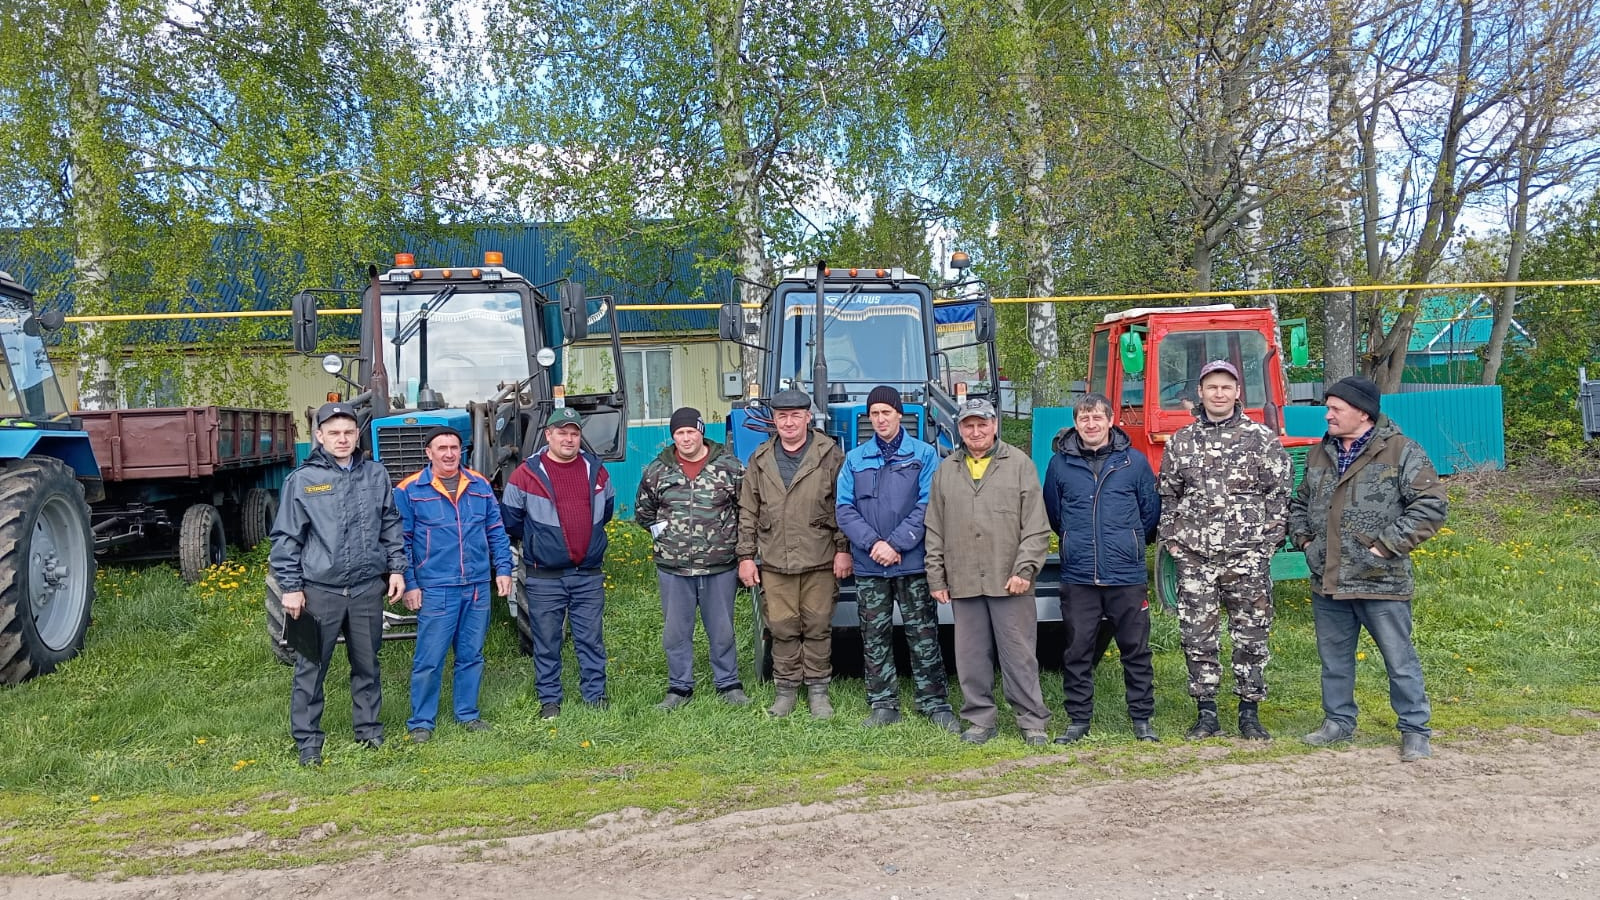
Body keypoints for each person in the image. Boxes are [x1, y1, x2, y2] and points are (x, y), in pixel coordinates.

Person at [1288, 376, 1448, 761]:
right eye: (1328, 408)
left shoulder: (1401, 452)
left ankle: (1414, 730)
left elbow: (1431, 506)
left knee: (1399, 660)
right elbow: (1298, 506)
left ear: (1363, 413)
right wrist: (1306, 543)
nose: (1327, 415)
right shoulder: (1318, 454)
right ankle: (1338, 722)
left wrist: (1385, 547)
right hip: (1328, 581)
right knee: (1334, 661)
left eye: (1335, 409)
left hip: (1381, 582)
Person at [1157, 359, 1293, 742]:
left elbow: (1279, 494)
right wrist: (1174, 541)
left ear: (1237, 393)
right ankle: (1206, 712)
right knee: (1197, 635)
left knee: (1251, 634)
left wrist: (1264, 544)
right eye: (1212, 387)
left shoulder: (1260, 438)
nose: (1219, 393)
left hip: (1246, 557)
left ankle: (1249, 712)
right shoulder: (1182, 441)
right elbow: (1168, 495)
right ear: (1200, 393)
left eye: (1226, 387)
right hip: (1195, 557)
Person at [269, 401, 407, 766]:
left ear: (357, 434)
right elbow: (286, 538)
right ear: (319, 436)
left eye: (348, 432)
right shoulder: (302, 480)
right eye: (334, 433)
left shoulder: (376, 475)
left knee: (367, 665)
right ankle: (308, 742)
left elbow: (390, 525)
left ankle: (369, 732)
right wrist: (291, 587)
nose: (342, 439)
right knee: (310, 668)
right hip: (319, 591)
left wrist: (396, 569)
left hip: (365, 589)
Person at [925, 397, 1053, 746]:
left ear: (995, 425)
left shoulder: (1019, 464)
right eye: (969, 425)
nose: (976, 431)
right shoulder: (946, 469)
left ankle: (1032, 721)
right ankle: (979, 720)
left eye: (983, 424)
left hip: (1010, 579)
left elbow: (1036, 526)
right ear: (960, 429)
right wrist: (936, 576)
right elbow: (934, 527)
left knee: (1019, 655)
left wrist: (1025, 570)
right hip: (964, 578)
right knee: (970, 657)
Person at [836, 386, 959, 733]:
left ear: (899, 414)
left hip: (912, 562)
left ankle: (934, 703)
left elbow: (927, 504)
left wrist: (897, 544)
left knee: (923, 635)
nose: (880, 419)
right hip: (870, 564)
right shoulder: (855, 458)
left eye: (885, 413)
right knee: (874, 636)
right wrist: (873, 543)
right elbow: (844, 508)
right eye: (874, 414)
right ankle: (883, 703)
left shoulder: (923, 454)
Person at [1042, 392, 1162, 744]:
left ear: (1110, 420)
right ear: (1076, 423)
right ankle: (1078, 720)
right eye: (1083, 418)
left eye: (1097, 417)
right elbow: (1054, 513)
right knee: (1078, 650)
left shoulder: (1134, 462)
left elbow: (1149, 512)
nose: (1090, 424)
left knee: (1135, 649)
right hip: (1078, 574)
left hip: (1126, 573)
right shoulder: (1059, 465)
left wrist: (1129, 543)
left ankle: (1142, 720)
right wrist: (1075, 542)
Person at [394, 426, 515, 743]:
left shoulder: (479, 485)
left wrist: (503, 569)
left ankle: (468, 714)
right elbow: (401, 542)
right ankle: (421, 721)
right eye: (441, 448)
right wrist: (410, 584)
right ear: (428, 453)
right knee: (429, 659)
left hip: (476, 586)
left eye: (454, 447)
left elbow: (495, 531)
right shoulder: (409, 490)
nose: (449, 453)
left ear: (461, 451)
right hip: (436, 588)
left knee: (471, 655)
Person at [737, 389, 852, 719]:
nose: (789, 422)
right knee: (782, 627)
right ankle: (785, 690)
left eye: (796, 415)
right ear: (774, 420)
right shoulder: (760, 460)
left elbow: (842, 505)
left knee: (817, 625)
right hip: (775, 560)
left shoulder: (829, 454)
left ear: (807, 418)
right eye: (782, 416)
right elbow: (748, 511)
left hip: (819, 555)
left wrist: (843, 550)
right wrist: (746, 556)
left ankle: (818, 691)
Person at [500, 407, 616, 719]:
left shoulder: (597, 471)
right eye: (562, 432)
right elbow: (511, 521)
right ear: (548, 435)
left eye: (574, 433)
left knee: (590, 638)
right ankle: (550, 700)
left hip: (587, 574)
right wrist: (543, 543)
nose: (568, 438)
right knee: (546, 641)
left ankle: (595, 696)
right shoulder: (525, 475)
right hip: (544, 577)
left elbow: (606, 513)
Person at [634, 407, 750, 709]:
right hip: (673, 568)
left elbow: (747, 508)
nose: (686, 438)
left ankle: (728, 684)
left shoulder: (729, 466)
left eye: (691, 431)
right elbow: (644, 513)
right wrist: (667, 537)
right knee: (675, 632)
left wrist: (733, 542)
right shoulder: (658, 470)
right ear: (673, 436)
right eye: (679, 433)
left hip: (719, 565)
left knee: (722, 629)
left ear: (701, 432)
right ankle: (679, 688)